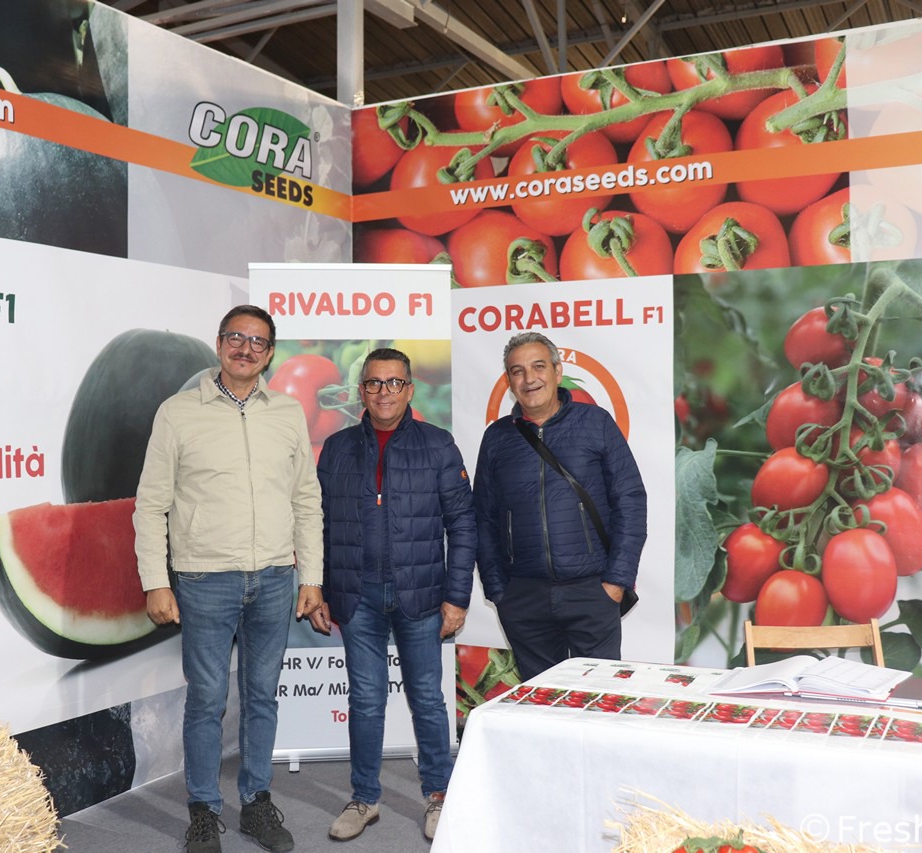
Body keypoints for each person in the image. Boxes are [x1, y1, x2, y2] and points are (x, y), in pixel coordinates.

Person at [133, 305, 329, 853]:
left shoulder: (287, 412)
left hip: (275, 578)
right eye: (236, 338)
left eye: (258, 341)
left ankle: (257, 803)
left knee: (262, 696)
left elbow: (306, 499)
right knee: (207, 699)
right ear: (220, 344)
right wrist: (155, 580)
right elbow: (151, 505)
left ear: (270, 353)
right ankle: (203, 810)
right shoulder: (177, 413)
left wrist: (311, 576)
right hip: (204, 580)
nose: (246, 348)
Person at [315, 347, 475, 843]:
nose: (384, 392)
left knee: (427, 699)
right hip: (356, 596)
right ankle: (364, 798)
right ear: (361, 391)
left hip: (422, 595)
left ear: (410, 389)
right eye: (374, 383)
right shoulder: (337, 448)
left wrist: (457, 596)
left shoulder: (438, 444)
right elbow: (318, 525)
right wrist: (319, 589)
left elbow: (463, 525)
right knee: (365, 701)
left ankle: (439, 796)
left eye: (394, 383)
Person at [473, 332, 647, 682]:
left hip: (591, 591)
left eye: (538, 366)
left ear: (557, 371)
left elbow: (630, 500)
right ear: (509, 381)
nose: (529, 378)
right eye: (518, 371)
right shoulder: (496, 438)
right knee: (540, 701)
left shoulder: (595, 423)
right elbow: (483, 518)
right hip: (524, 598)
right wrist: (499, 591)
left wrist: (616, 581)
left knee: (598, 698)